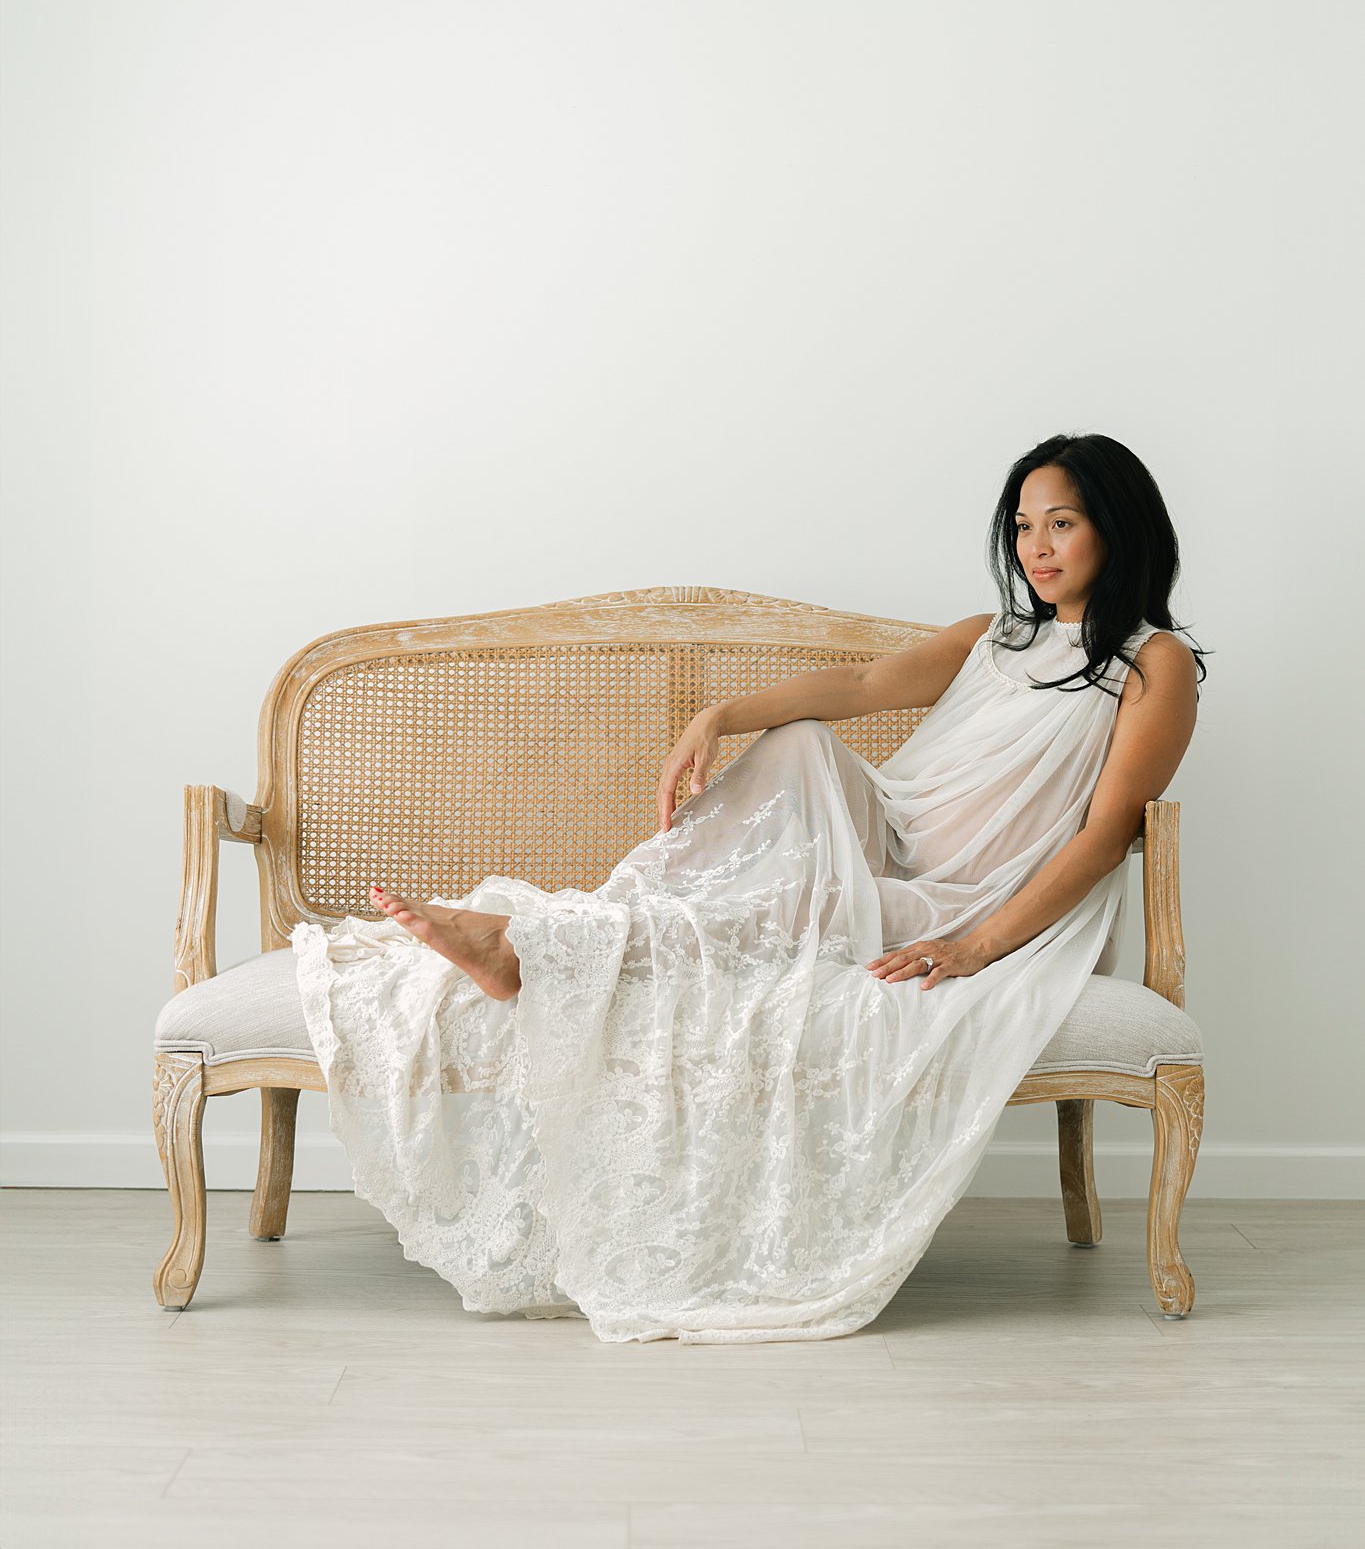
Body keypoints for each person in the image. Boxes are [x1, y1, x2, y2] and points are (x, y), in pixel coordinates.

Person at [293, 431, 1205, 1344]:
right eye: (1021, 527)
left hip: (968, 897)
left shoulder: (1150, 663)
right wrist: (717, 716)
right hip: (887, 840)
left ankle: (527, 947)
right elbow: (858, 683)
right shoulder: (989, 638)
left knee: (782, 910)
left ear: (1115, 529)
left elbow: (1101, 836)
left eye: (1060, 524)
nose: (1035, 548)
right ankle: (560, 935)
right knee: (800, 741)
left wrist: (973, 947)